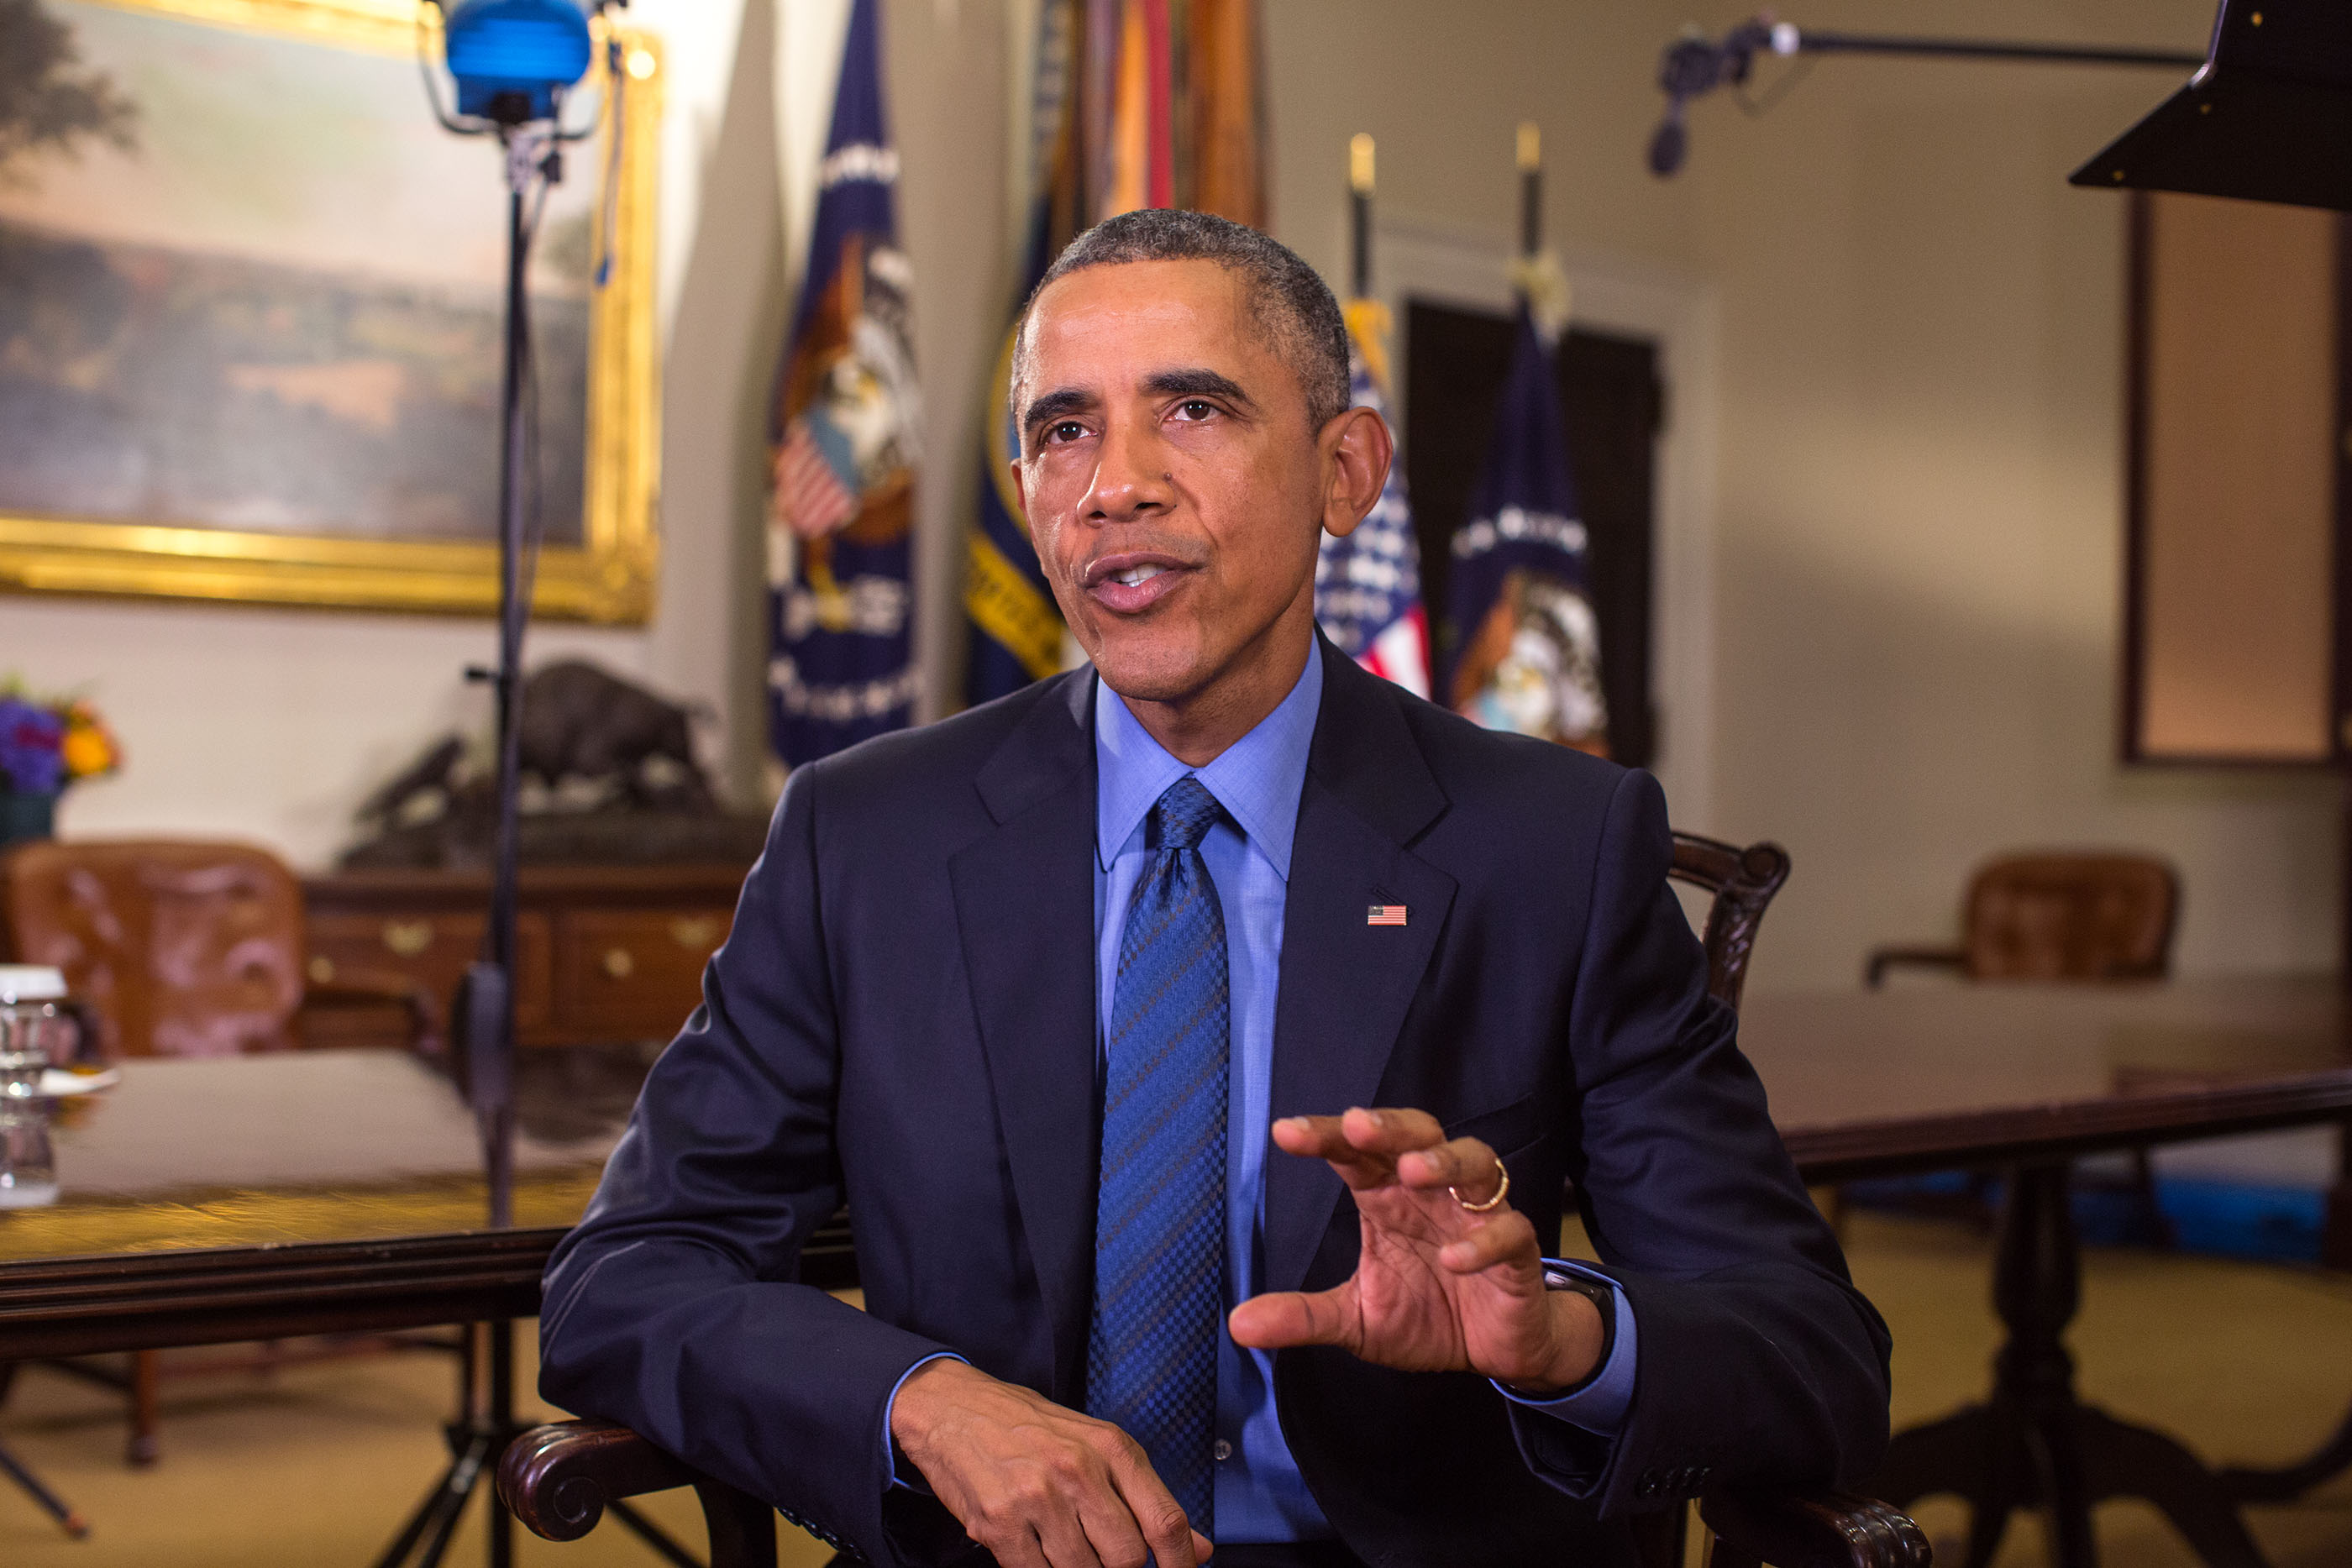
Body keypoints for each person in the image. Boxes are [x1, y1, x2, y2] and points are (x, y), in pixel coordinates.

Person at [538, 210, 1890, 1568]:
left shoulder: (1556, 845)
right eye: (1065, 429)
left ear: (1344, 470)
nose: (1114, 484)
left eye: (1192, 409)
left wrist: (1563, 1337)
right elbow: (626, 1279)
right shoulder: (864, 837)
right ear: (1027, 494)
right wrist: (925, 1407)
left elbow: (1813, 1352)